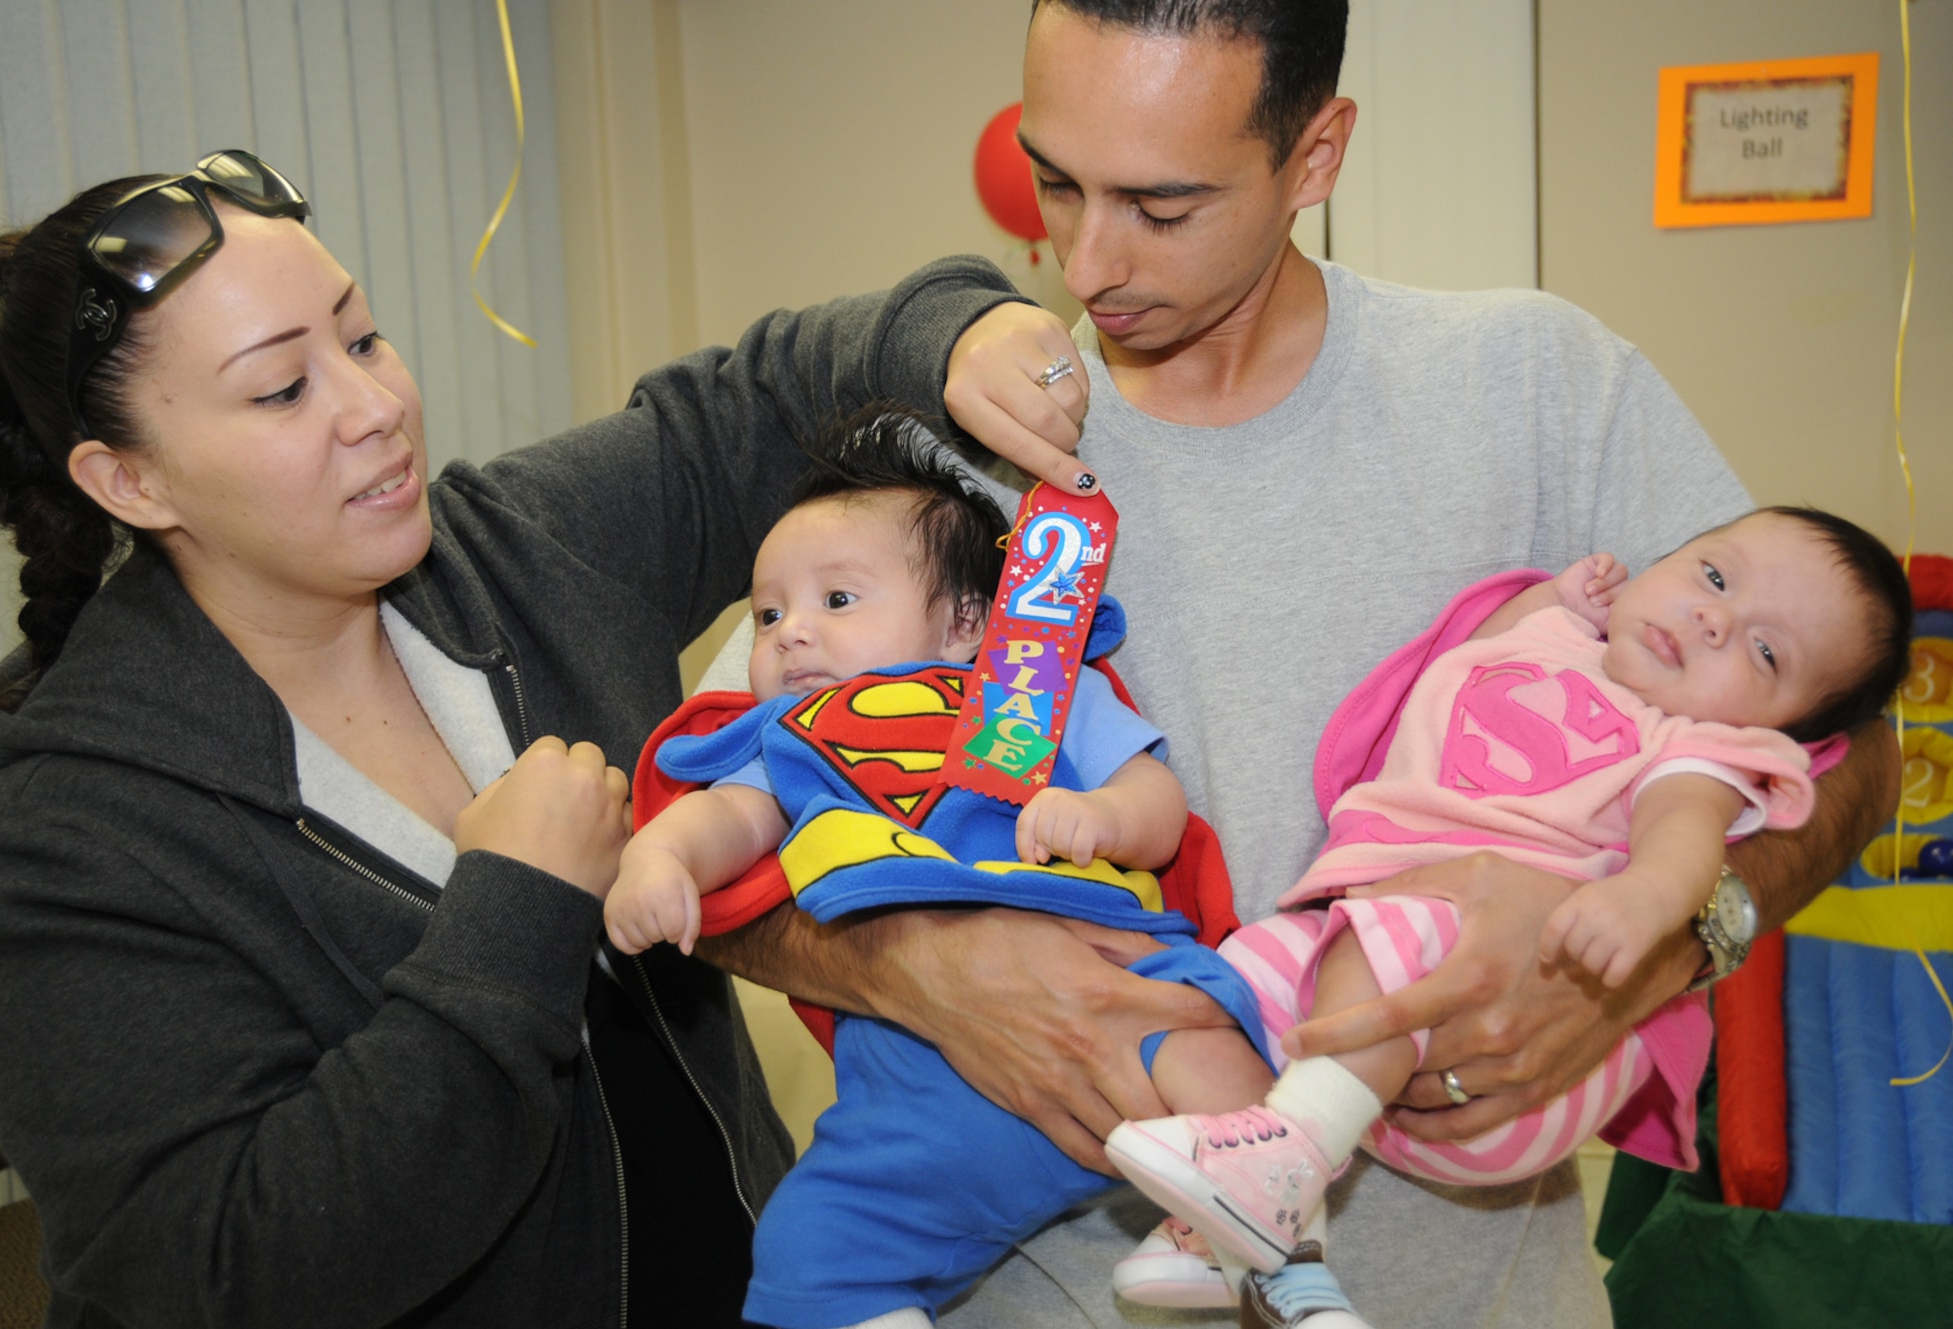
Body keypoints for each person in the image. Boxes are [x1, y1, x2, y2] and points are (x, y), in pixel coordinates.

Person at [702, 4, 1899, 1326]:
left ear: (1316, 156)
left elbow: (1854, 755)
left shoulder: (1536, 384)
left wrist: (1668, 949)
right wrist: (908, 967)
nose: (1085, 260)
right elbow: (693, 808)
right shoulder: (951, 455)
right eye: (1056, 182)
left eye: (1161, 208)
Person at [0, 151, 1043, 1327]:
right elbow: (237, 1270)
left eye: (361, 340)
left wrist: (961, 336)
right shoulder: (54, 851)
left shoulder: (516, 555)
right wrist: (515, 908)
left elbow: (760, 404)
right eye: (282, 391)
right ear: (129, 480)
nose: (377, 408)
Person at [1104, 509, 1912, 1313]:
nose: (1713, 617)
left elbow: (1684, 841)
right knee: (1228, 984)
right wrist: (1559, 595)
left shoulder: (1693, 747)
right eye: (1712, 574)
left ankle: (1288, 1156)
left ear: (1786, 733)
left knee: (1395, 930)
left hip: (1504, 1070)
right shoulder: (1558, 635)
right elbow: (1477, 645)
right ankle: (1271, 1244)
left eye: (1764, 651)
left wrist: (1643, 900)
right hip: (1383, 1017)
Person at [607, 414, 1268, 1327]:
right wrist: (659, 857)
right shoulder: (791, 737)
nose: (792, 634)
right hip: (915, 1092)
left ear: (967, 622)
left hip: (1114, 978)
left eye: (838, 600)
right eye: (767, 614)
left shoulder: (1029, 692)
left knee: (1219, 1027)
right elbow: (723, 816)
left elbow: (1157, 800)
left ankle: (1235, 1219)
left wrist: (1103, 815)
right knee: (805, 1254)